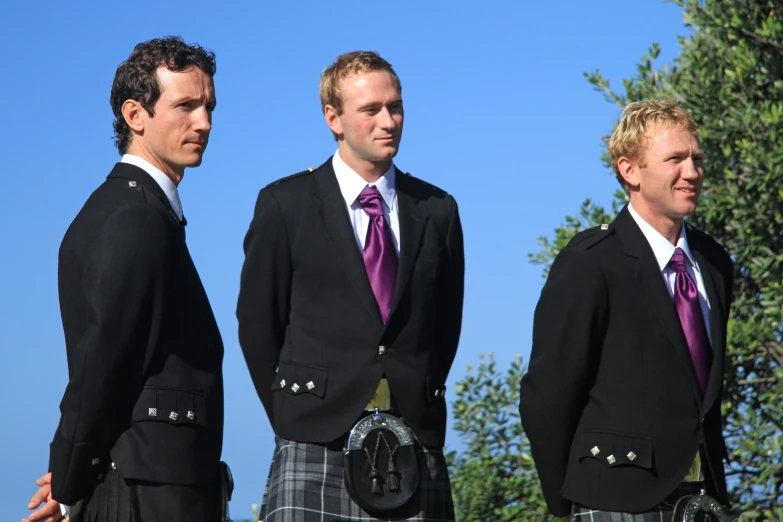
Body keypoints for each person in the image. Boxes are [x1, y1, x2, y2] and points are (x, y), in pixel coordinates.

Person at [237, 50, 465, 521]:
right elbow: (258, 325)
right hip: (313, 437)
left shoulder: (438, 209)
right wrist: (292, 414)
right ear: (333, 118)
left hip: (412, 441)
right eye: (371, 110)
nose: (389, 121)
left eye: (395, 106)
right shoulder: (285, 204)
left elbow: (445, 328)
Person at [23, 36, 226, 522]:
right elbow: (103, 365)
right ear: (136, 115)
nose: (204, 122)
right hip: (148, 496)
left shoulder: (124, 209)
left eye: (209, 106)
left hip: (145, 486)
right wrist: (69, 482)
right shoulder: (135, 218)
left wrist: (69, 471)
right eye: (186, 106)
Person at [520, 100, 734, 520]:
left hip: (703, 499)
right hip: (614, 497)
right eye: (675, 159)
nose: (692, 172)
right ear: (629, 170)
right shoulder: (591, 261)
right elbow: (547, 394)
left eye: (696, 159)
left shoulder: (715, 262)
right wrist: (569, 499)